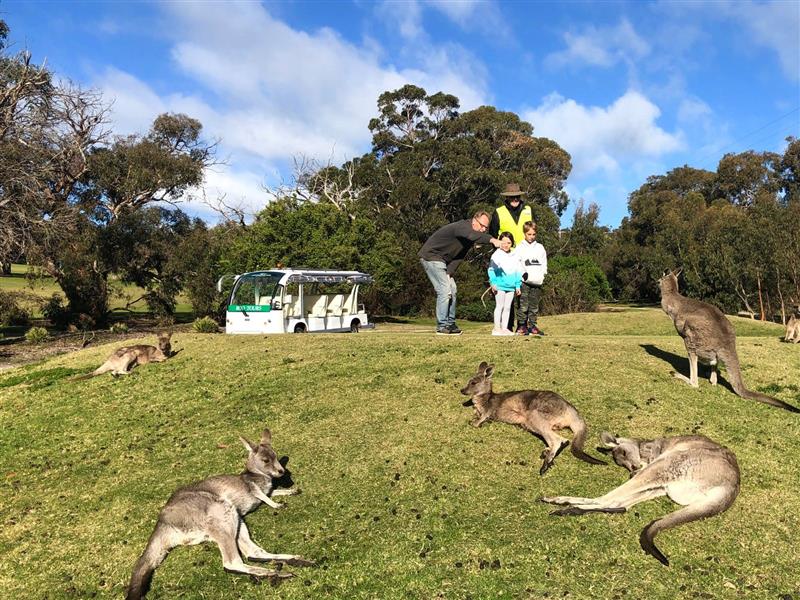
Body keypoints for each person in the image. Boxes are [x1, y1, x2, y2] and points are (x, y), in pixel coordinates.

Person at [419, 211, 502, 335]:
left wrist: (450, 272)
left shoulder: (469, 237)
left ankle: (450, 324)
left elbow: (460, 256)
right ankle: (442, 326)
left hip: (443, 261)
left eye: (486, 227)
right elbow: (473, 236)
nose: (483, 229)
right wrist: (492, 240)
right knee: (445, 289)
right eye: (481, 225)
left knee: (453, 289)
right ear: (474, 220)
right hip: (431, 256)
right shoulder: (463, 227)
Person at [489, 183, 533, 330]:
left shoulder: (528, 210)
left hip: (524, 255)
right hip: (505, 256)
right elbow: (493, 235)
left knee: (523, 291)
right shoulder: (499, 212)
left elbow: (532, 230)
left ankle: (523, 326)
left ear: (520, 196)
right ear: (506, 198)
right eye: (511, 197)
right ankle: (505, 327)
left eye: (516, 196)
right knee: (506, 292)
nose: (514, 199)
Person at [513, 220, 547, 336]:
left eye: (533, 234)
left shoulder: (540, 247)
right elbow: (517, 263)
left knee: (534, 306)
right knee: (523, 305)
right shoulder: (519, 247)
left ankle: (532, 326)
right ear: (524, 233)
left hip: (537, 281)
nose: (531, 237)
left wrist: (543, 275)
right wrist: (523, 274)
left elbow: (544, 263)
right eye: (529, 234)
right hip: (524, 281)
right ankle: (522, 326)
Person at [488, 231, 522, 336]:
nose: (506, 245)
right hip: (500, 286)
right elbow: (491, 269)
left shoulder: (515, 254)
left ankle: (505, 328)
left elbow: (518, 270)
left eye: (508, 242)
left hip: (511, 287)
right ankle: (496, 328)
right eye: (503, 242)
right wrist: (493, 283)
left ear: (512, 243)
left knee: (507, 308)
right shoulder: (496, 254)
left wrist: (517, 285)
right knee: (500, 306)